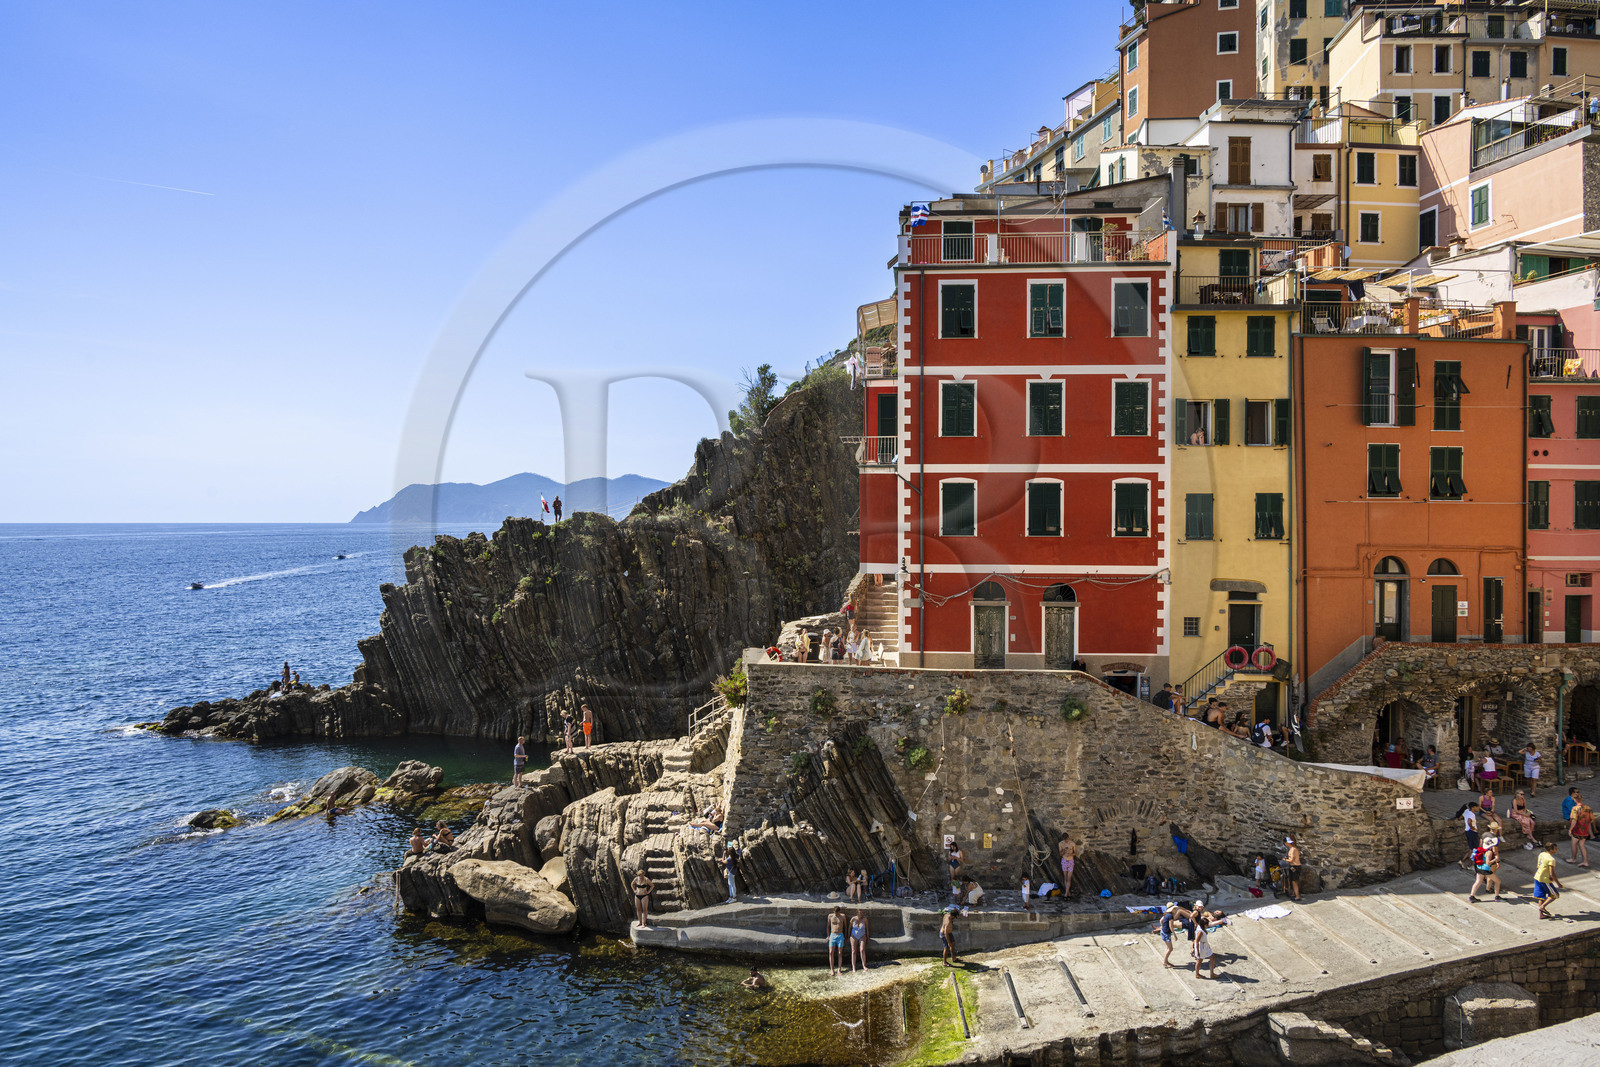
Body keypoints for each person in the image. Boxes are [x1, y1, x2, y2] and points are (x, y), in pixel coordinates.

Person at [1534, 841, 1564, 919]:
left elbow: (1538, 866)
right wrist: (1558, 883)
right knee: (1555, 895)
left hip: (1537, 877)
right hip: (1544, 880)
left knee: (1541, 897)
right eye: (1555, 848)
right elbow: (1552, 873)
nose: (1556, 850)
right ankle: (1542, 907)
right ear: (1551, 849)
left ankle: (1541, 915)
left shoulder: (1541, 854)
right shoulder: (1551, 859)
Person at [1467, 835, 1498, 903]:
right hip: (1486, 869)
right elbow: (1488, 863)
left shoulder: (1481, 849)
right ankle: (1497, 896)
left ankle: (1471, 897)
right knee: (1498, 881)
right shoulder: (1489, 852)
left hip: (1479, 867)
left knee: (1478, 882)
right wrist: (1495, 859)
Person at [1570, 796, 1593, 868]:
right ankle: (1585, 861)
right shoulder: (1588, 808)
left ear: (1575, 799)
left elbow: (1574, 820)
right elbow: (1592, 819)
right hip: (1584, 830)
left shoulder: (1575, 808)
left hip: (1577, 830)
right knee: (1582, 845)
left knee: (1574, 844)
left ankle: (1573, 859)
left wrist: (1570, 829)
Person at [1459, 802, 1481, 871]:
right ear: (1473, 807)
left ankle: (1462, 861)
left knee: (1471, 848)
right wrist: (1472, 828)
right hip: (1472, 832)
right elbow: (1469, 821)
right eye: (1477, 807)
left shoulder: (1466, 811)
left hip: (1467, 831)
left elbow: (1460, 817)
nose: (1478, 808)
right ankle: (1470, 864)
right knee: (1473, 849)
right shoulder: (1472, 814)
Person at [827, 905, 847, 976]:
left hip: (840, 935)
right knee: (831, 952)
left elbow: (845, 927)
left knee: (839, 953)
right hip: (832, 935)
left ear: (839, 912)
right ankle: (832, 969)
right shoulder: (830, 916)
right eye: (835, 913)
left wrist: (846, 937)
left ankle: (839, 969)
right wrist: (828, 936)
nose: (836, 914)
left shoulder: (843, 916)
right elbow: (828, 926)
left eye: (837, 913)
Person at [1059, 834, 1077, 900]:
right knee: (1065, 877)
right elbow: (1060, 854)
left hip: (1070, 861)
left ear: (1068, 838)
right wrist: (1064, 850)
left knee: (1069, 878)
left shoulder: (1072, 843)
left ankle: (1066, 894)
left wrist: (1070, 853)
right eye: (1065, 840)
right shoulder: (1060, 843)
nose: (1066, 841)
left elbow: (1075, 853)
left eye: (1067, 839)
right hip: (1064, 861)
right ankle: (1068, 893)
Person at [1284, 837, 1302, 901]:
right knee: (1295, 881)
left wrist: (1285, 859)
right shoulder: (1295, 848)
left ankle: (1297, 896)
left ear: (1286, 843)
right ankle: (1294, 894)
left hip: (1294, 867)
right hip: (1297, 866)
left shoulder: (1292, 849)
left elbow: (1291, 860)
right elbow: (1299, 854)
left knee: (1294, 882)